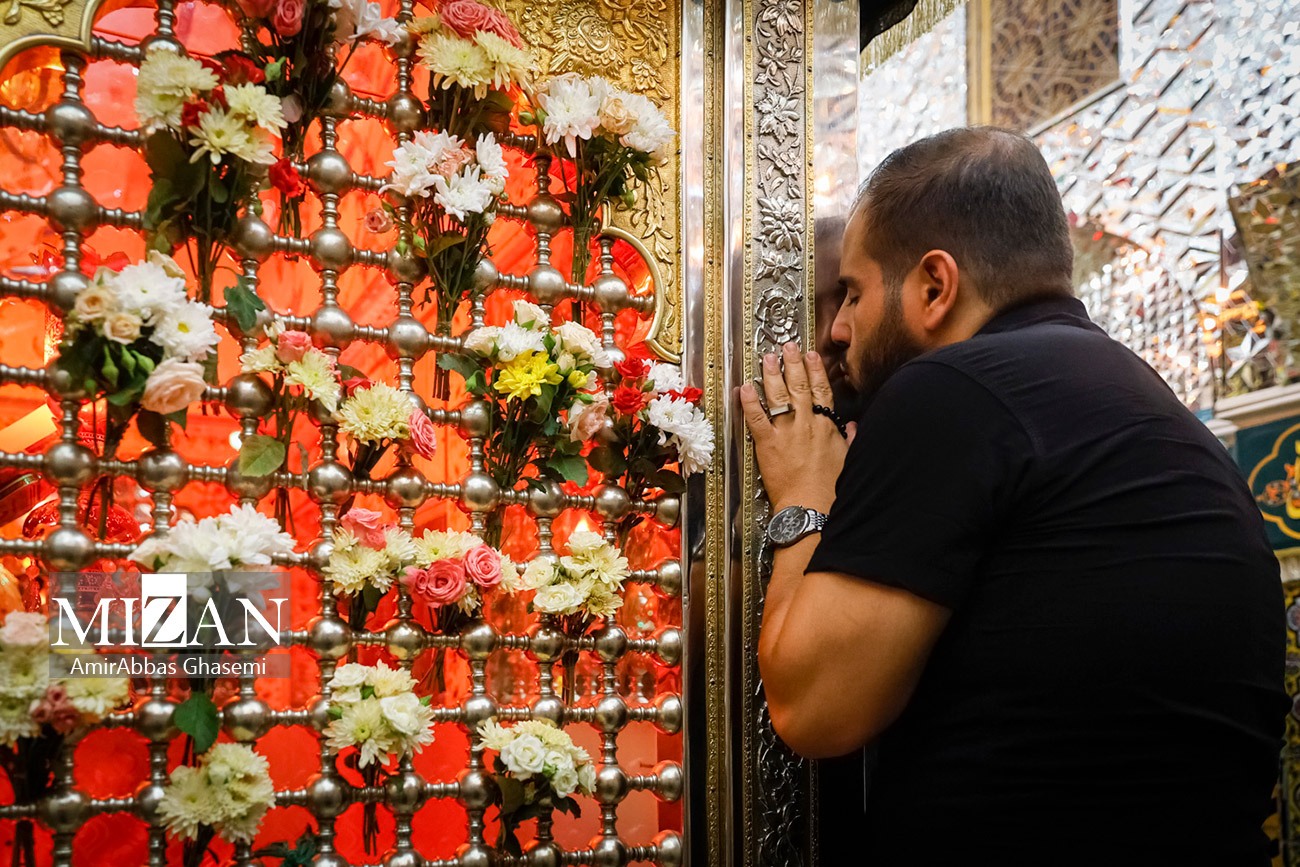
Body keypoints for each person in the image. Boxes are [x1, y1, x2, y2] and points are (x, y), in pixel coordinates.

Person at [738, 126, 1287, 864]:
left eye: (856, 293)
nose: (837, 329)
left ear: (935, 287)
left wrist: (805, 497)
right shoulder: (1155, 407)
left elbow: (815, 708)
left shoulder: (949, 390)